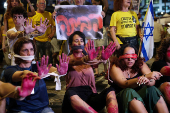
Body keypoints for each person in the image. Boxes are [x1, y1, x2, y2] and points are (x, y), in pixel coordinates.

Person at [4, 37, 69, 112]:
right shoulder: (10, 70)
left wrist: (59, 71)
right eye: (25, 50)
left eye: (31, 49)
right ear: (18, 52)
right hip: (21, 109)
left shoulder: (37, 66)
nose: (29, 53)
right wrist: (36, 75)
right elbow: (22, 74)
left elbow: (50, 69)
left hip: (42, 108)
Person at [62, 31, 118, 113]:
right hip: (73, 99)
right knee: (70, 93)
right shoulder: (66, 59)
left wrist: (103, 58)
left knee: (111, 90)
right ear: (70, 45)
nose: (79, 43)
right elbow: (74, 62)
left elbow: (96, 60)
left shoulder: (90, 58)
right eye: (76, 41)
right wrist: (86, 59)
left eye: (81, 41)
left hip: (90, 97)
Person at [109, 44, 168, 113]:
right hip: (123, 100)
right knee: (129, 91)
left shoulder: (140, 64)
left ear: (136, 57)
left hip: (139, 97)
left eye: (133, 55)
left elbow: (152, 81)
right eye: (126, 55)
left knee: (152, 89)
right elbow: (124, 84)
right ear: (120, 57)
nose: (130, 59)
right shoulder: (115, 67)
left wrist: (148, 82)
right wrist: (143, 77)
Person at [2, 0, 35, 65]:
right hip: (16, 61)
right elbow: (12, 34)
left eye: (19, 17)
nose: (17, 19)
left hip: (28, 61)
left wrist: (41, 32)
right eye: (15, 17)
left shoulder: (29, 30)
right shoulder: (7, 15)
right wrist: (24, 33)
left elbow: (37, 33)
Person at [151, 37, 170, 106]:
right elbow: (165, 70)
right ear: (164, 52)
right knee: (167, 85)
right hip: (159, 94)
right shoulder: (158, 63)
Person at [92, 0, 109, 77]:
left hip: (101, 30)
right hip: (92, 30)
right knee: (94, 51)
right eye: (92, 3)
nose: (94, 4)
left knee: (102, 51)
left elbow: (106, 5)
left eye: (95, 3)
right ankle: (96, 71)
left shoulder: (103, 9)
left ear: (100, 2)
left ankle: (105, 69)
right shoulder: (90, 9)